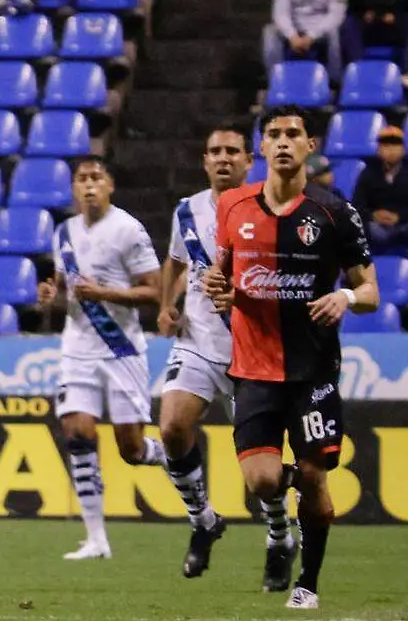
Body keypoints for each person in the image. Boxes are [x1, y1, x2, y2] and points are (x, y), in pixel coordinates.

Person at [203, 105, 380, 610]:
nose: (283, 142)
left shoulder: (333, 212)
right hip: (253, 367)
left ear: (309, 145)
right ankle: (291, 509)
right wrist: (218, 285)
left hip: (313, 370)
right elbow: (223, 272)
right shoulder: (234, 206)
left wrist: (344, 298)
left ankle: (309, 583)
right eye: (274, 135)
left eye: (293, 135)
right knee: (261, 480)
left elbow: (371, 289)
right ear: (262, 148)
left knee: (315, 477)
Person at [156, 125, 297, 589]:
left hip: (251, 350)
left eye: (231, 151)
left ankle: (279, 536)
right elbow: (176, 263)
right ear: (204, 160)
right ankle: (203, 520)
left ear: (247, 161)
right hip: (197, 342)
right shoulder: (186, 210)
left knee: (262, 478)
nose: (222, 158)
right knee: (173, 425)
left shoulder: (269, 208)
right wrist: (166, 304)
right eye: (213, 150)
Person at [35, 155, 166, 561]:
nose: (89, 185)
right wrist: (50, 297)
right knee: (77, 432)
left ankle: (169, 453)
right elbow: (63, 286)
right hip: (77, 348)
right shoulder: (64, 232)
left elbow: (155, 291)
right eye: (81, 179)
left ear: (110, 185)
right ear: (73, 188)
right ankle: (96, 538)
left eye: (96, 178)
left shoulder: (128, 230)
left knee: (130, 448)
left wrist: (106, 294)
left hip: (121, 348)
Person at [352, 125, 408, 267]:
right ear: (378, 149)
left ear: (404, 149)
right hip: (377, 226)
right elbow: (357, 204)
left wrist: (399, 217)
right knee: (355, 225)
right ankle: (362, 271)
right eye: (386, 145)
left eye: (395, 145)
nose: (391, 149)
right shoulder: (368, 173)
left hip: (405, 224)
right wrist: (373, 215)